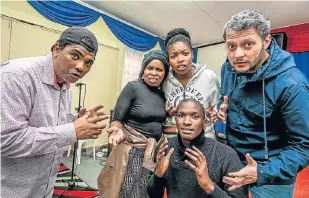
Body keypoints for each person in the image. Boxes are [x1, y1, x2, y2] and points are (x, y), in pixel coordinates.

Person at [209, 9, 309, 198]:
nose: (238, 54)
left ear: (267, 42)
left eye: (248, 44)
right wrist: (222, 108)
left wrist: (262, 172)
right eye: (231, 46)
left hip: (272, 173)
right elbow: (226, 96)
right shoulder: (228, 68)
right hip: (233, 160)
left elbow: (303, 146)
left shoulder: (292, 84)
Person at [1, 27, 109, 198]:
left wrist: (77, 120)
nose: (81, 67)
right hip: (11, 189)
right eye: (75, 56)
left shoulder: (66, 85)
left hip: (44, 186)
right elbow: (6, 140)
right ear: (57, 49)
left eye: (88, 62)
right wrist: (72, 130)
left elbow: (49, 121)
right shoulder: (17, 76)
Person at [97, 50, 170, 198]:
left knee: (145, 189)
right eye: (150, 68)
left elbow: (159, 122)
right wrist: (115, 130)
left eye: (159, 69)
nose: (154, 73)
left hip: (153, 150)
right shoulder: (133, 87)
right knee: (127, 189)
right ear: (143, 70)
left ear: (164, 74)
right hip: (133, 150)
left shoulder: (162, 95)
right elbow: (118, 118)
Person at [147, 99, 248, 198]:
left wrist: (209, 186)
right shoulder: (166, 148)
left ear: (204, 123)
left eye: (195, 117)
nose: (186, 122)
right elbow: (154, 194)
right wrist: (158, 175)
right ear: (176, 120)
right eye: (181, 115)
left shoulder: (226, 154)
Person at [163, 28, 220, 138]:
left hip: (204, 138)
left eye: (185, 53)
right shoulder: (164, 79)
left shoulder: (209, 77)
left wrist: (213, 113)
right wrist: (166, 113)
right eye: (173, 56)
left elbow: (217, 106)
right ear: (169, 59)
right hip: (172, 138)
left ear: (192, 54)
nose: (180, 59)